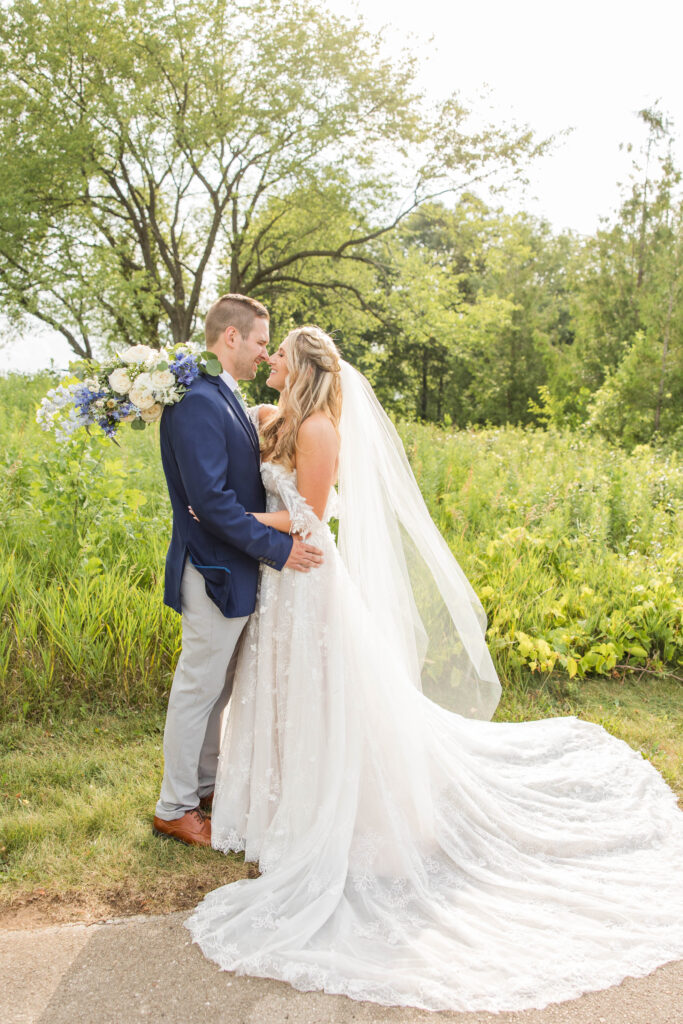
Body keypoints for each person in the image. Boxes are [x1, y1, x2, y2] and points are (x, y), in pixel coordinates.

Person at [186, 326, 683, 1012]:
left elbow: (312, 515)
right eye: (262, 348)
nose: (266, 359)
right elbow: (230, 438)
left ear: (299, 366)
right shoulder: (275, 417)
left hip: (307, 582)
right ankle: (277, 814)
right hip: (279, 585)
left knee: (325, 699)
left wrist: (234, 515)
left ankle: (342, 820)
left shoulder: (321, 429)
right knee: (283, 697)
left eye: (277, 352)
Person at [152, 296, 323, 847]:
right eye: (257, 343)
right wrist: (278, 549)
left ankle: (202, 788)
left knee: (216, 689)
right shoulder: (200, 400)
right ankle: (175, 807)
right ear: (230, 337)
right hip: (211, 569)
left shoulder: (223, 396)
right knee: (198, 687)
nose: (262, 354)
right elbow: (214, 503)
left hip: (232, 567)